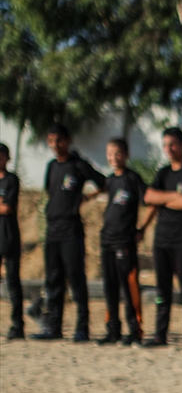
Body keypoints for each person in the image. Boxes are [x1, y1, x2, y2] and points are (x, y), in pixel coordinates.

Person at [32, 124, 106, 342]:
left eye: (59, 141)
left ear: (68, 140)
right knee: (53, 280)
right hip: (52, 228)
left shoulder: (79, 165)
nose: (55, 145)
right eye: (51, 141)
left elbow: (103, 182)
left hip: (71, 229)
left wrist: (88, 198)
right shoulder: (52, 166)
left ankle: (82, 328)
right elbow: (50, 192)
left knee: (76, 279)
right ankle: (53, 328)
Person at [142, 127, 182, 350]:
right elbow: (149, 197)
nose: (168, 149)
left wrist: (163, 200)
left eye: (173, 144)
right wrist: (175, 196)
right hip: (161, 240)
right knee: (162, 289)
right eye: (165, 145)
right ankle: (160, 336)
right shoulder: (163, 173)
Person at [97, 139, 150, 346]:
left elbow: (150, 202)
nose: (113, 158)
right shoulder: (110, 180)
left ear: (126, 155)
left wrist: (142, 228)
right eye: (110, 154)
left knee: (128, 287)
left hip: (125, 241)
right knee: (109, 287)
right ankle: (113, 331)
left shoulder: (133, 179)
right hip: (106, 241)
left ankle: (135, 331)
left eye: (117, 154)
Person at [0, 143, 22, 340]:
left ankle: (18, 325)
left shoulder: (11, 180)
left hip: (9, 236)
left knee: (13, 281)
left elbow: (7, 208)